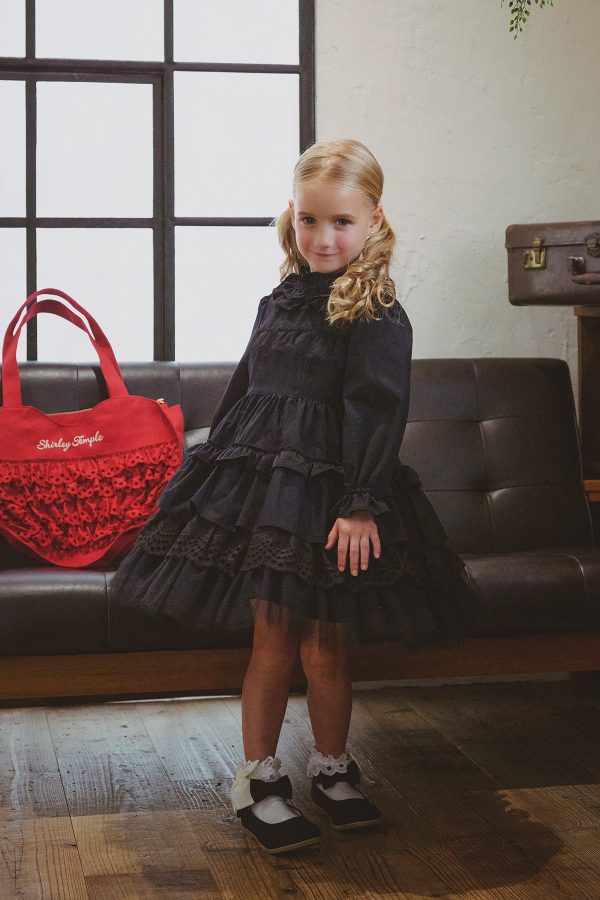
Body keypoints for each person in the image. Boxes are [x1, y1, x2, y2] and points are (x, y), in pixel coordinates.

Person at [108, 138, 483, 855]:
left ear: (374, 220)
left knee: (326, 644)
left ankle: (333, 770)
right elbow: (246, 389)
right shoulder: (277, 301)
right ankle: (259, 778)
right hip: (268, 496)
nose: (323, 238)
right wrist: (213, 467)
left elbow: (379, 409)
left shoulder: (376, 311)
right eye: (310, 220)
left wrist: (361, 502)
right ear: (293, 215)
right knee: (272, 638)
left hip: (338, 497)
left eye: (341, 222)